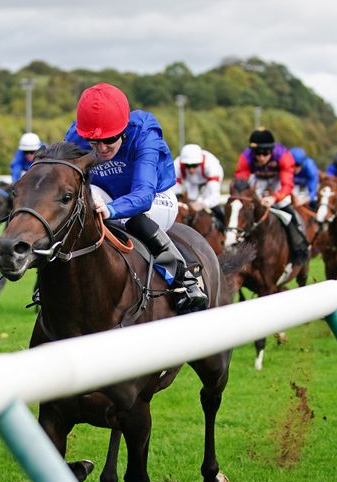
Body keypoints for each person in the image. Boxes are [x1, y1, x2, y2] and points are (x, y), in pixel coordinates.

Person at [63, 82, 207, 312]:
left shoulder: (144, 134)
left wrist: (110, 210)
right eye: (93, 141)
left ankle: (184, 281)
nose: (100, 149)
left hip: (155, 196)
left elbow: (142, 195)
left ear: (123, 129)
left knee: (134, 218)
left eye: (109, 139)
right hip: (105, 194)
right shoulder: (76, 135)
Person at [233, 128, 309, 264]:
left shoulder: (284, 156)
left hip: (277, 180)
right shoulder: (245, 157)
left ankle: (299, 244)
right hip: (258, 180)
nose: (260, 157)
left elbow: (287, 185)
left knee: (284, 205)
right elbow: (241, 180)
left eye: (265, 153)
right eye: (257, 153)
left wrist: (274, 197)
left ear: (272, 150)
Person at [173, 143, 225, 225]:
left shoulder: (211, 165)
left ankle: (224, 228)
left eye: (194, 165)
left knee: (212, 205)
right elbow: (175, 190)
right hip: (191, 182)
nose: (191, 170)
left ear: (200, 162)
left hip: (208, 181)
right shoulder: (176, 165)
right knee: (190, 201)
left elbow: (215, 196)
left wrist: (203, 204)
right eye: (187, 166)